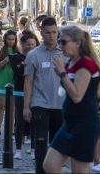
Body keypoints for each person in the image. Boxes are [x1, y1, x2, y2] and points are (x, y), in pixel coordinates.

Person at [42, 25, 100, 174]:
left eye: (64, 42)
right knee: (50, 165)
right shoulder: (70, 62)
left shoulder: (85, 64)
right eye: (60, 42)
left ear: (77, 43)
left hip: (84, 124)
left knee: (79, 170)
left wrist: (62, 74)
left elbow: (77, 96)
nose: (60, 45)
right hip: (70, 123)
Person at [23, 17, 66, 174]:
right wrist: (26, 106)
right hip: (40, 103)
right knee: (40, 140)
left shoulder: (65, 53)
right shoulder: (33, 55)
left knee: (57, 142)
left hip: (60, 104)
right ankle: (40, 170)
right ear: (41, 33)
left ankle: (54, 169)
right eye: (48, 33)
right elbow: (28, 82)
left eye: (54, 32)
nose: (51, 36)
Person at [11, 31, 38, 159]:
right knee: (20, 120)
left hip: (35, 93)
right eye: (28, 44)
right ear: (22, 44)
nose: (31, 47)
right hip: (20, 92)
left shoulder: (37, 57)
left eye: (33, 45)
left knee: (34, 122)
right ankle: (18, 149)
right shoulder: (15, 57)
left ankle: (33, 149)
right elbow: (21, 73)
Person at [0, 30, 17, 141]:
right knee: (0, 107)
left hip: (12, 81)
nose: (11, 41)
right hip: (1, 81)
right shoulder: (1, 50)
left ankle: (10, 132)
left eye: (13, 39)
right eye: (9, 39)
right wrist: (7, 60)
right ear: (5, 39)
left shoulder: (18, 50)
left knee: (12, 109)